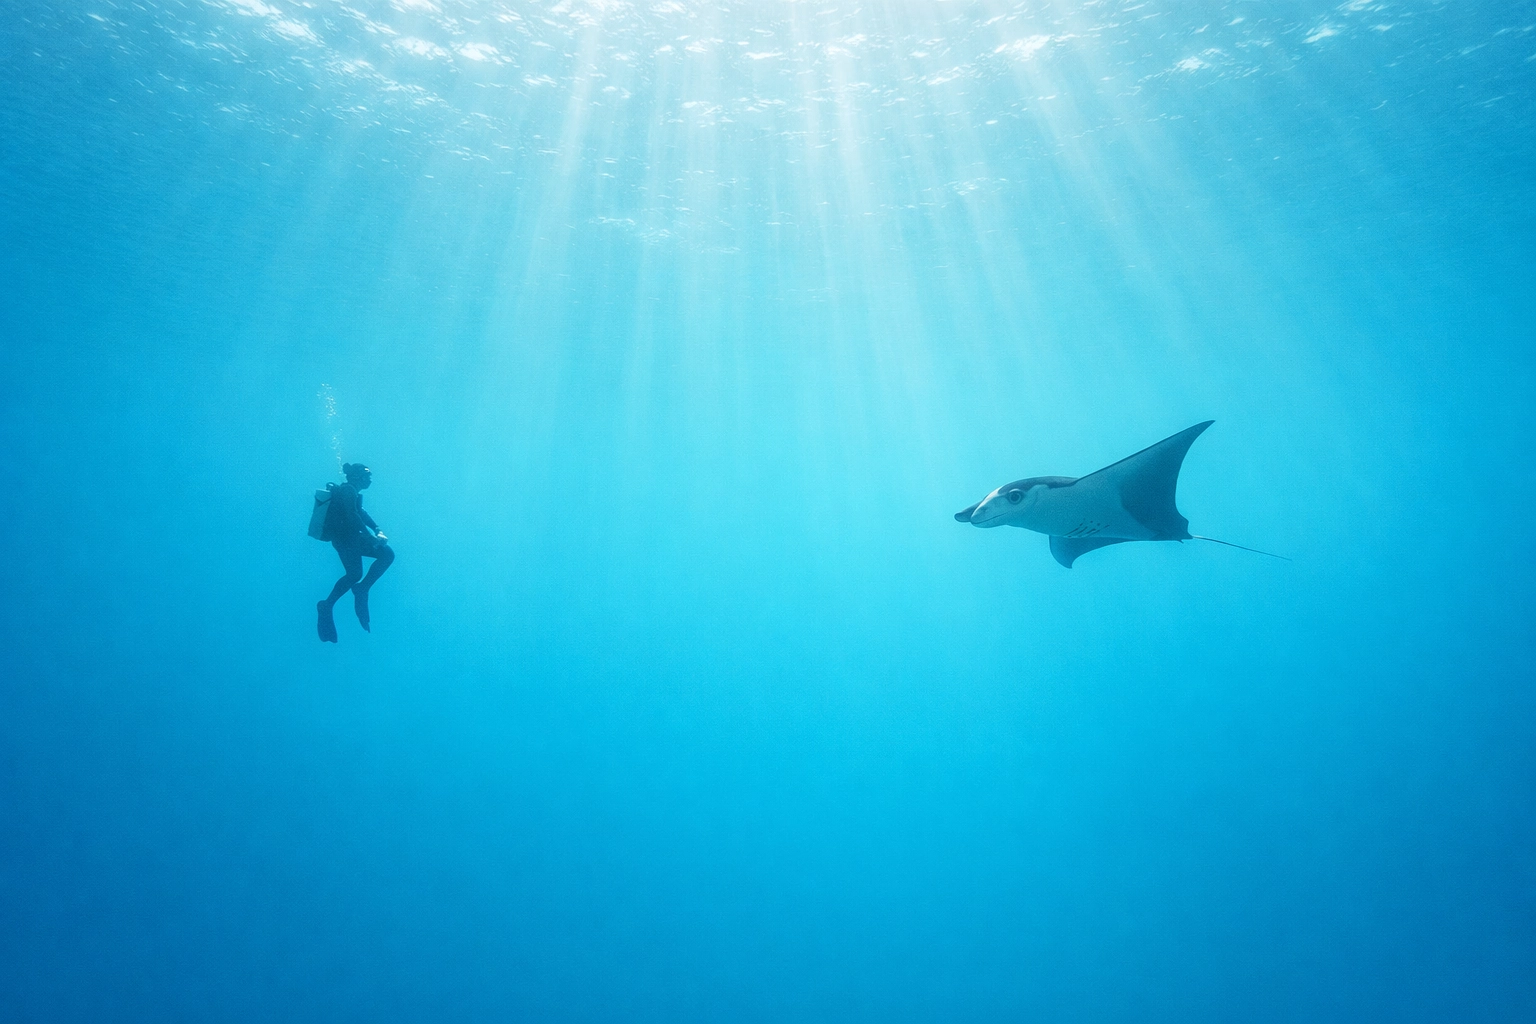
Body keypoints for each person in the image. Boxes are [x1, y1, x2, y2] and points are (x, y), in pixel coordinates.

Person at [317, 462, 395, 642]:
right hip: (346, 540)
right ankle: (359, 590)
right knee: (385, 556)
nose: (369, 479)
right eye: (367, 475)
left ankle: (331, 603)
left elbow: (360, 513)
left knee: (354, 573)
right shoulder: (348, 490)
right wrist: (370, 537)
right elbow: (353, 515)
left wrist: (376, 529)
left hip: (347, 540)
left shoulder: (351, 491)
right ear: (357, 476)